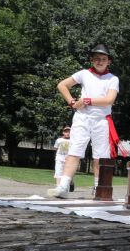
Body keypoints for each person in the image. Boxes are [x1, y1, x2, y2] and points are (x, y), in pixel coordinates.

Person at [47, 44, 121, 198]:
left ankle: (98, 189)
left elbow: (109, 100)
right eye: (96, 59)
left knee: (100, 157)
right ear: (91, 60)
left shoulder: (113, 79)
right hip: (82, 118)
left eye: (103, 59)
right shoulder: (84, 74)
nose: (99, 61)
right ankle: (63, 186)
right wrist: (71, 102)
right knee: (74, 151)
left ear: (109, 62)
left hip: (101, 120)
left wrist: (86, 100)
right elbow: (62, 85)